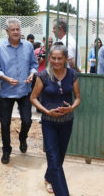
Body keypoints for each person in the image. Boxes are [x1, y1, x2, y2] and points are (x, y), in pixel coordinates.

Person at [30, 45, 81, 195]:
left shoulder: (72, 75)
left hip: (67, 122)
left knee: (58, 158)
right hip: (49, 123)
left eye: (60, 58)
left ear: (65, 59)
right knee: (53, 158)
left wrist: (71, 108)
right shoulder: (43, 75)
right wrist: (47, 111)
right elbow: (33, 98)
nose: (56, 61)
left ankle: (48, 177)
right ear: (49, 58)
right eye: (53, 58)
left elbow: (78, 98)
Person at [0, 18, 38, 164]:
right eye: (13, 30)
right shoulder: (0, 49)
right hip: (7, 92)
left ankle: (22, 138)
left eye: (18, 29)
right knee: (5, 124)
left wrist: (32, 73)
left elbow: (34, 65)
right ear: (7, 32)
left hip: (24, 90)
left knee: (27, 120)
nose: (16, 32)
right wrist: (5, 78)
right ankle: (6, 151)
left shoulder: (29, 47)